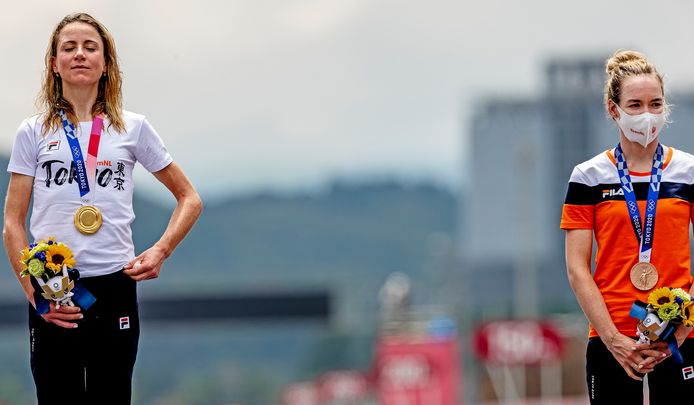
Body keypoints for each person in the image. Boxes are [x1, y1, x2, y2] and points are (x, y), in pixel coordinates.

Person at [2, 13, 202, 404]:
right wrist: (35, 295)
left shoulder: (133, 127)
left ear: (106, 63)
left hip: (114, 286)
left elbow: (189, 198)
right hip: (55, 288)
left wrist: (161, 250)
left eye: (90, 47)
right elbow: (12, 221)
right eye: (69, 47)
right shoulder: (33, 132)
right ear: (54, 63)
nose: (80, 54)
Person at [561, 50, 694, 403]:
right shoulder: (588, 177)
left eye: (655, 104)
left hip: (681, 336)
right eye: (635, 105)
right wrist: (613, 340)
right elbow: (577, 268)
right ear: (613, 109)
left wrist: (683, 328)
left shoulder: (688, 171)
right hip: (613, 338)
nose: (647, 115)